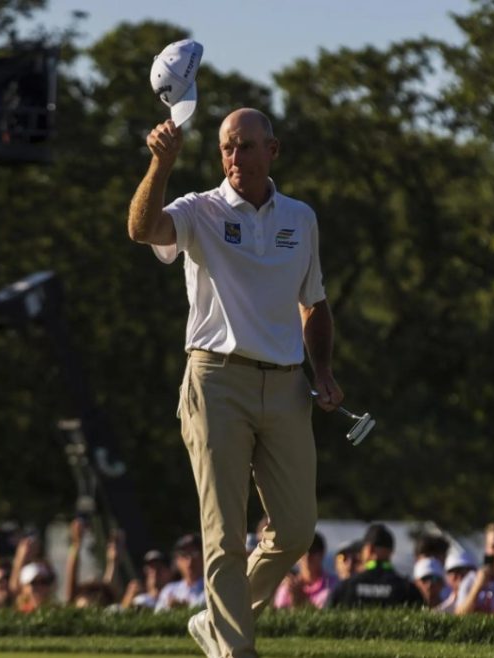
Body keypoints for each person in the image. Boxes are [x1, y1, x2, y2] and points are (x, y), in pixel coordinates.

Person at [128, 106, 343, 658]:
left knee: (295, 528)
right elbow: (140, 228)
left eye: (246, 145)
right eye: (226, 146)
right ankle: (235, 650)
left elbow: (312, 303)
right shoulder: (198, 210)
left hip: (287, 385)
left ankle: (216, 622)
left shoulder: (302, 217)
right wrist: (161, 165)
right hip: (215, 380)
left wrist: (323, 372)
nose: (234, 156)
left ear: (273, 150)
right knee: (223, 531)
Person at [329, 524, 422, 608]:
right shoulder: (407, 589)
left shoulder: (346, 587)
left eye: (362, 550)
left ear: (369, 549)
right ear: (391, 552)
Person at [273, 532, 336, 609]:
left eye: (313, 550)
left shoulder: (334, 585)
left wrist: (301, 600)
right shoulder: (287, 587)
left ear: (322, 553)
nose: (307, 555)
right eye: (302, 551)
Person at [155, 533, 207, 612]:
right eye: (184, 555)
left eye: (195, 554)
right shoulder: (169, 590)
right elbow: (157, 617)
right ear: (176, 561)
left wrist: (184, 608)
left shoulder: (212, 586)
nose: (190, 561)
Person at [435, 549, 477, 613]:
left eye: (464, 570)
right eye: (453, 571)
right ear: (446, 577)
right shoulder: (442, 607)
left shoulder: (489, 597)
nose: (459, 576)